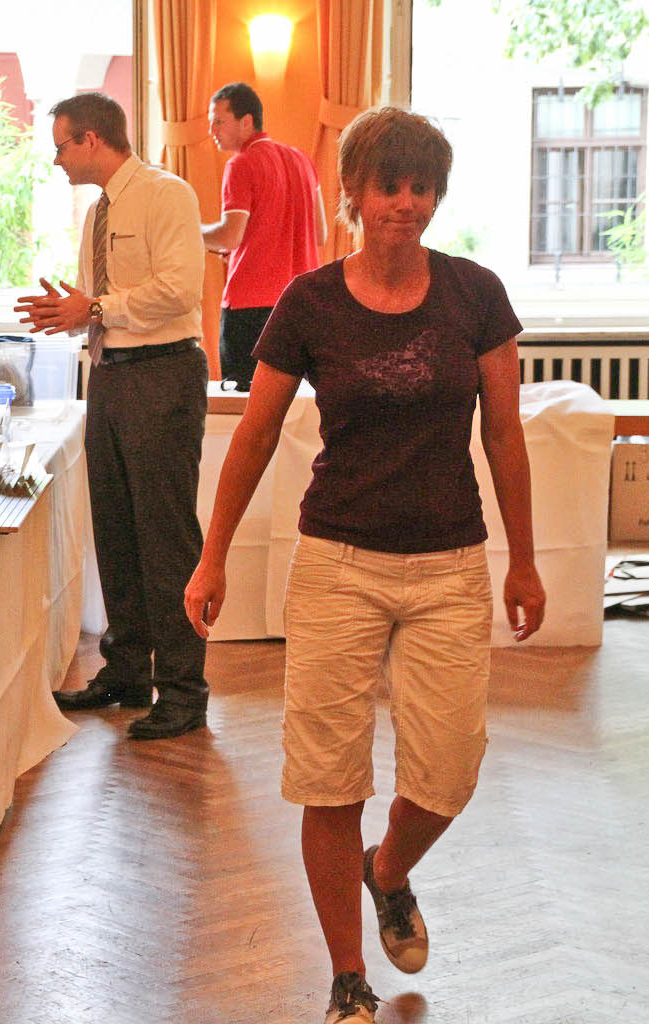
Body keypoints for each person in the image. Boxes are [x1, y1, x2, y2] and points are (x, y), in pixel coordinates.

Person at [182, 107, 546, 1023]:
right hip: (338, 564)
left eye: (422, 187)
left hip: (449, 566)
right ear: (352, 191)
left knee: (449, 773)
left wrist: (525, 561)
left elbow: (505, 436)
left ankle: (389, 869)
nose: (406, 203)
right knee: (328, 777)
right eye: (389, 185)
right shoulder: (310, 303)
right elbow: (254, 436)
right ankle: (348, 976)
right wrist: (211, 557)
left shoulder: (475, 295)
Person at [14, 92, 209, 741]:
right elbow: (108, 305)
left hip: (162, 374)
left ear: (92, 139)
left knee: (165, 536)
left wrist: (93, 308)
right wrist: (73, 314)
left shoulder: (165, 194)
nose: (57, 160)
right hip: (111, 374)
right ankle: (126, 673)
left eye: (61, 146)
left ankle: (183, 691)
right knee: (117, 530)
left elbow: (180, 289)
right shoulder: (99, 211)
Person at [201, 82, 327, 391]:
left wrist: (188, 231)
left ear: (246, 121)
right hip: (302, 302)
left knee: (246, 403)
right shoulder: (302, 160)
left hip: (251, 308)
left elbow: (229, 237)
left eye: (219, 121)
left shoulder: (241, 164)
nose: (212, 130)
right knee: (296, 402)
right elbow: (320, 233)